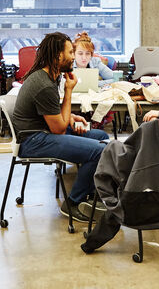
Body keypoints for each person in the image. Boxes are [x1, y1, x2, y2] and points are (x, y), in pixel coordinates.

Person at [12, 32, 109, 222]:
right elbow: (59, 129)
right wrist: (69, 90)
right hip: (33, 140)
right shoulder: (43, 84)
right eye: (71, 52)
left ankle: (88, 194)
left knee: (100, 136)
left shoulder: (51, 76)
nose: (74, 57)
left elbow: (53, 114)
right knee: (99, 152)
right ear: (58, 56)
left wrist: (70, 116)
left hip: (43, 131)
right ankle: (73, 203)